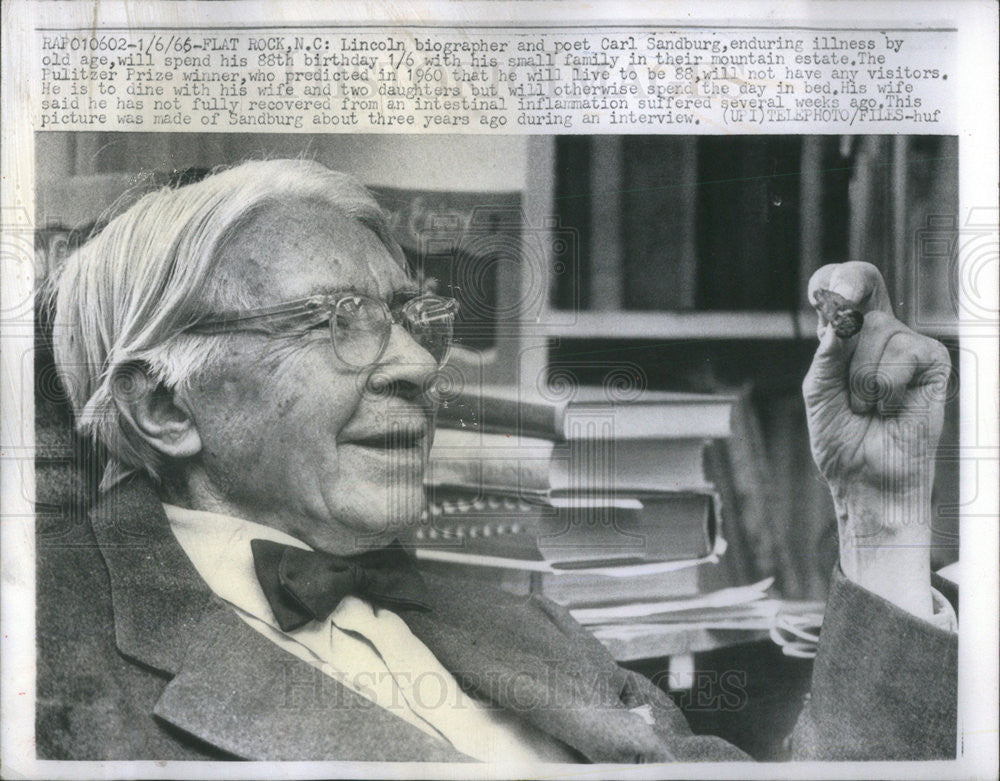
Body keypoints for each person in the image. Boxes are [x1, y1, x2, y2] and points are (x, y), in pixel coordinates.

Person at [38, 158, 957, 763]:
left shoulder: (521, 625)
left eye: (408, 317)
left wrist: (882, 518)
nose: (412, 365)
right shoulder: (49, 673)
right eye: (337, 320)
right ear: (164, 405)